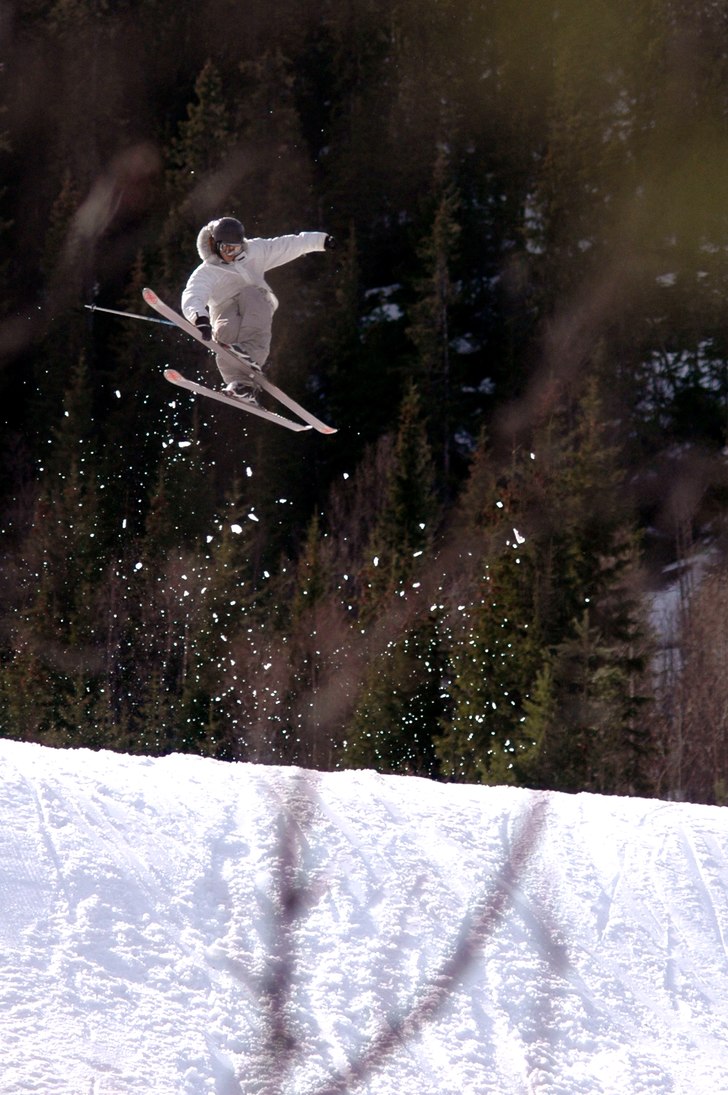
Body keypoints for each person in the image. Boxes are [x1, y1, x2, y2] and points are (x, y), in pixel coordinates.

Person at [181, 216, 335, 404]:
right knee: (225, 331)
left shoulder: (255, 251)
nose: (231, 254)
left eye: (235, 248)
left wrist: (320, 241)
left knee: (251, 294)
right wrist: (200, 318)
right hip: (225, 309)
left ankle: (251, 355)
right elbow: (193, 295)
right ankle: (240, 386)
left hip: (256, 304)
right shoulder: (206, 272)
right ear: (215, 244)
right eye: (226, 249)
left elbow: (287, 245)